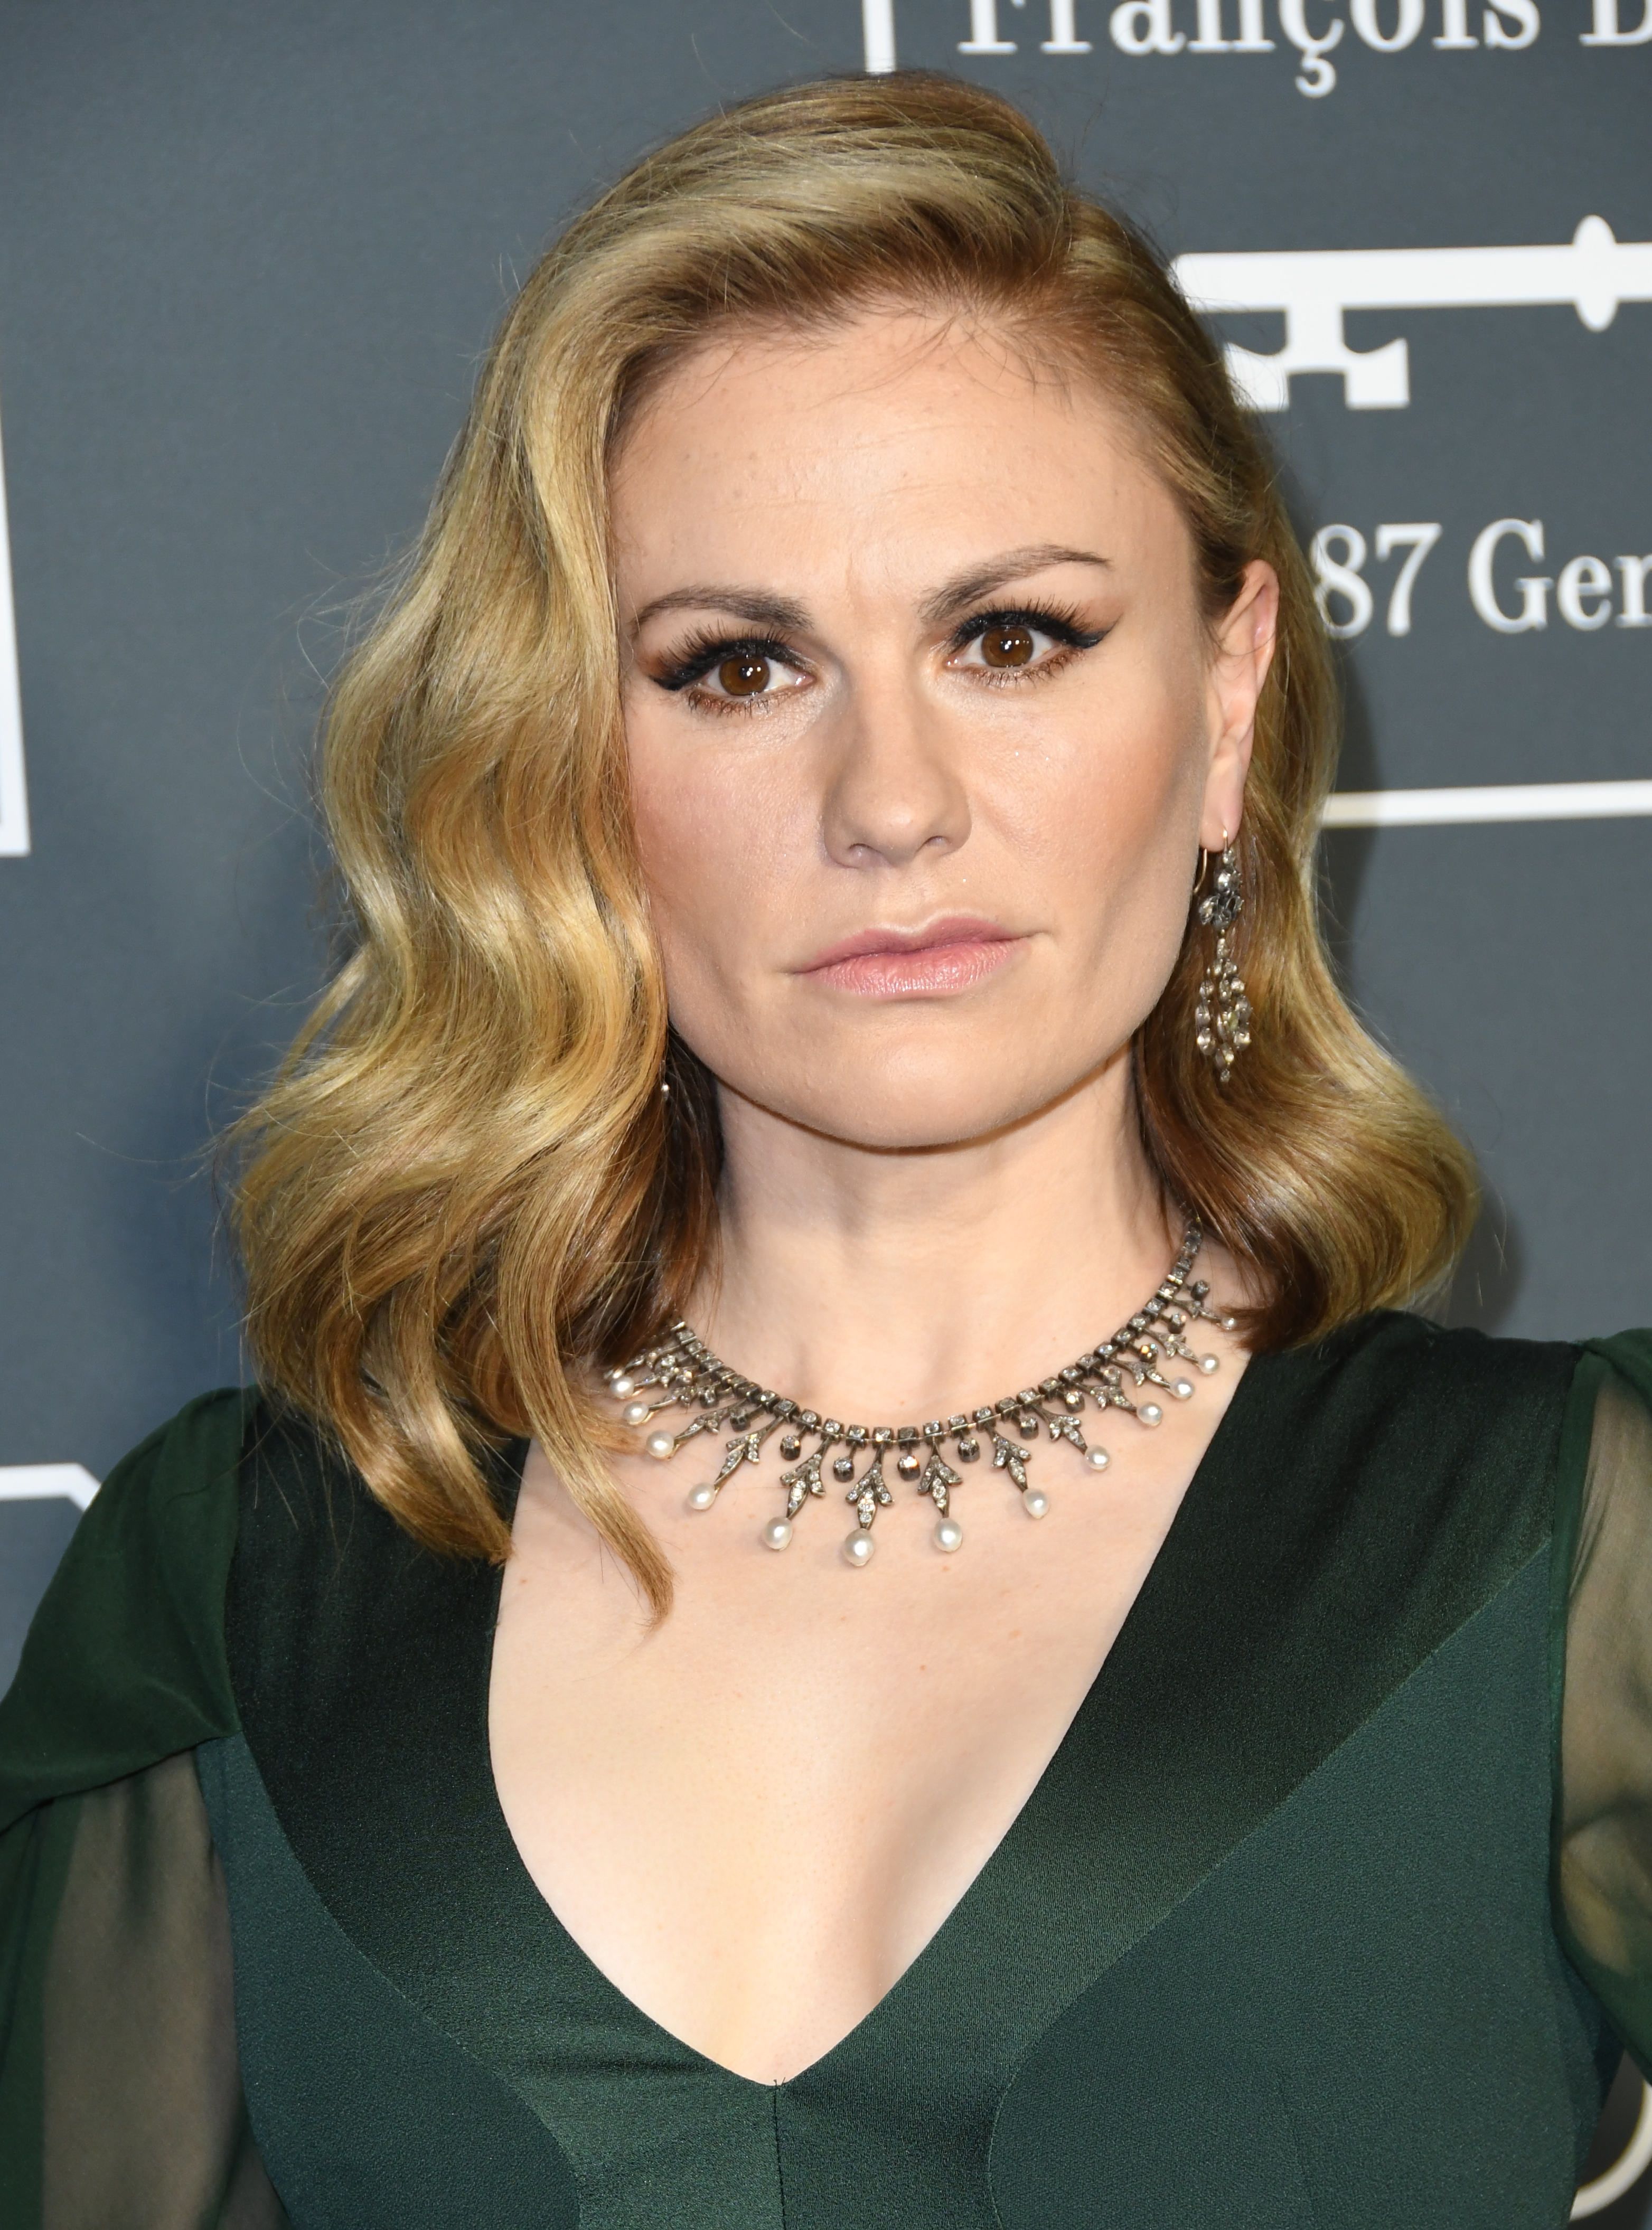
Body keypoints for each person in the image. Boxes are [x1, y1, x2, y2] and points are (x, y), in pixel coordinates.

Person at [0, 70, 1647, 2230]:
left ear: (1226, 693)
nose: (890, 802)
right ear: (568, 757)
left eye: (1010, 638)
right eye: (737, 667)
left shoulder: (1568, 1552)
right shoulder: (241, 1583)